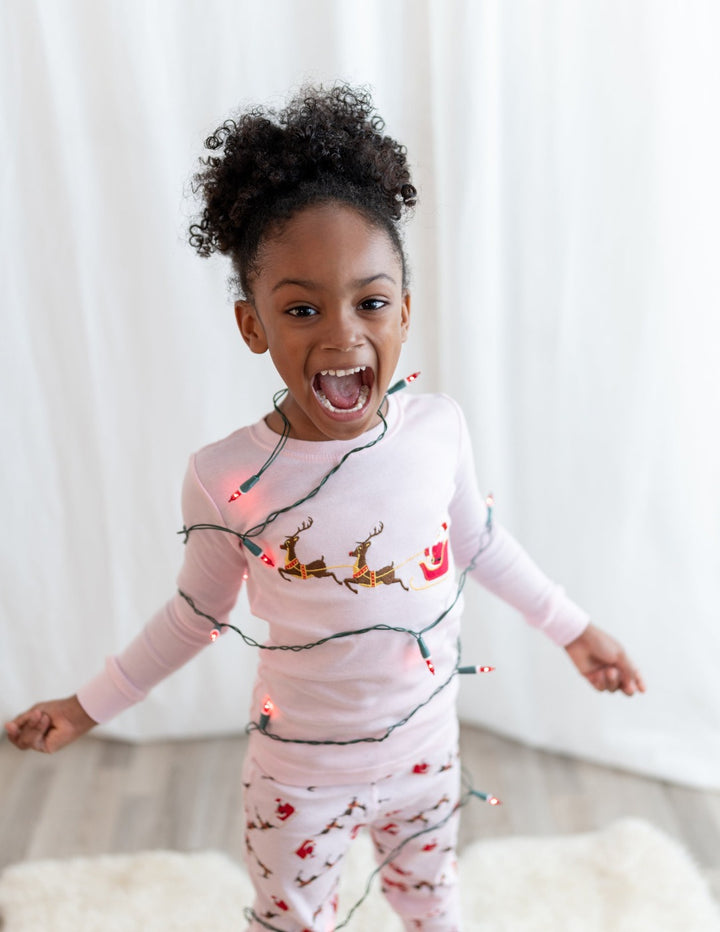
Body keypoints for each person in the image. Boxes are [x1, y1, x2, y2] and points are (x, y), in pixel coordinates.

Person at [5, 85, 644, 932]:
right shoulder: (226, 476)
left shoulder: (438, 431)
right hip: (298, 776)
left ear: (404, 311)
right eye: (302, 309)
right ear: (253, 325)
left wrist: (575, 628)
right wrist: (85, 707)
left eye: (370, 302)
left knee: (434, 907)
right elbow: (195, 617)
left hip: (427, 753)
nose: (341, 333)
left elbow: (481, 543)